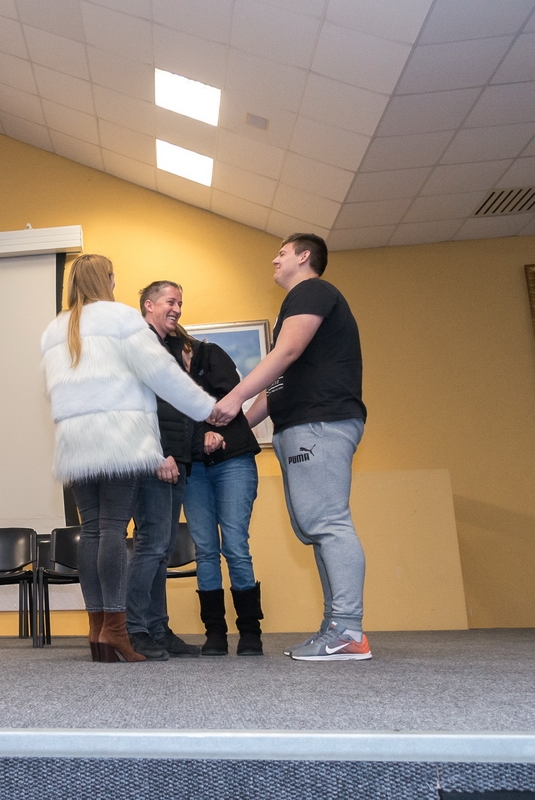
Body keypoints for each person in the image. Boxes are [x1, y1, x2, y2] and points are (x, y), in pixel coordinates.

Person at [41, 255, 216, 663]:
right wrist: (208, 408)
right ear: (107, 280)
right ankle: (116, 630)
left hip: (76, 442)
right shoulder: (121, 319)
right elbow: (162, 374)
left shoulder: (54, 329)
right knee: (114, 531)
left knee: (92, 532)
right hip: (119, 439)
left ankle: (97, 631)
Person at [209, 233, 370, 661]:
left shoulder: (312, 291)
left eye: (281, 253)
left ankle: (348, 630)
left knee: (328, 523)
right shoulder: (297, 306)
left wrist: (233, 397)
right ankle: (335, 628)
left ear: (304, 256)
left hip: (320, 423)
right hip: (302, 425)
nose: (274, 260)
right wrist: (235, 429)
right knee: (315, 529)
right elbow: (278, 383)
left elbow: (287, 353)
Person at [124, 281, 201, 660]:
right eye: (171, 301)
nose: (177, 309)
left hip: (177, 459)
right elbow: (135, 407)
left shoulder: (170, 348)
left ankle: (157, 629)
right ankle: (133, 629)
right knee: (151, 544)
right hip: (154, 459)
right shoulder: (137, 344)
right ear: (149, 305)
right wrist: (159, 454)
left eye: (180, 303)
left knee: (163, 547)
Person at [180, 331, 263, 656]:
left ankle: (250, 632)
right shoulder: (163, 371)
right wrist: (200, 434)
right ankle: (215, 632)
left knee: (235, 546)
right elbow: (171, 417)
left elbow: (228, 401)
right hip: (194, 468)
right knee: (204, 550)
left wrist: (209, 430)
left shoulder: (211, 354)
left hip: (233, 460)